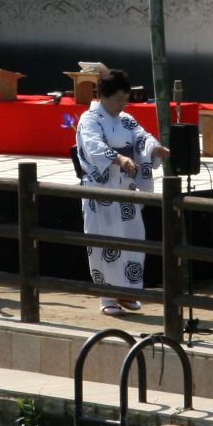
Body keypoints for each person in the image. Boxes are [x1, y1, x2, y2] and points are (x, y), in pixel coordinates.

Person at [74, 68, 170, 319]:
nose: (122, 104)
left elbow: (141, 136)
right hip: (101, 190)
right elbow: (94, 148)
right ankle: (108, 295)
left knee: (132, 239)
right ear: (103, 96)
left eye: (125, 100)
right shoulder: (89, 119)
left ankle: (128, 291)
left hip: (125, 190)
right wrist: (118, 159)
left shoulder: (125, 119)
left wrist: (154, 148)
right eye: (118, 99)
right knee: (105, 243)